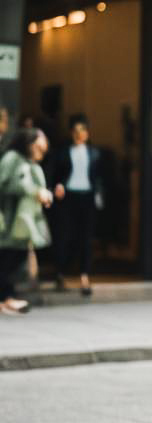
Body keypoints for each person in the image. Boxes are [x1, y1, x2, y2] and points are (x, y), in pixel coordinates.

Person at [0, 128, 53, 315]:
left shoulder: (27, 162)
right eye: (38, 147)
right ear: (29, 144)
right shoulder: (12, 159)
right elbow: (5, 184)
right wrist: (33, 191)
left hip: (22, 222)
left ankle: (7, 297)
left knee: (14, 258)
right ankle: (6, 298)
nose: (40, 152)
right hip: (8, 220)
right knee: (8, 258)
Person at [51, 114, 104, 297]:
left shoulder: (94, 153)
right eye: (75, 131)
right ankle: (60, 273)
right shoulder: (63, 152)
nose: (78, 134)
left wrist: (99, 195)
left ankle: (85, 276)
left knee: (86, 238)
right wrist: (57, 186)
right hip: (68, 196)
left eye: (82, 131)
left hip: (87, 197)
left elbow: (98, 178)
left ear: (87, 133)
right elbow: (55, 174)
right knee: (65, 235)